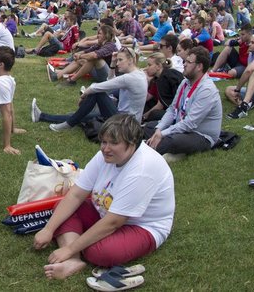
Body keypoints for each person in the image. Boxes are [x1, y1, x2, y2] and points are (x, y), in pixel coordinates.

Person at [33, 113, 175, 281]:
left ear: (132, 144)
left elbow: (114, 222)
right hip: (106, 212)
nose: (105, 148)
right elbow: (77, 194)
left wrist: (69, 248)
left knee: (98, 252)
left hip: (142, 226)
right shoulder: (106, 155)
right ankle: (73, 261)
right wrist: (48, 229)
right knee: (62, 208)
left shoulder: (142, 169)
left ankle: (73, 252)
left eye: (114, 143)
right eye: (104, 141)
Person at [31, 47, 147, 132]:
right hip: (128, 121)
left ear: (131, 60)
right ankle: (41, 116)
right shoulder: (138, 74)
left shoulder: (130, 78)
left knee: (97, 93)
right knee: (82, 115)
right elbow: (110, 80)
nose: (117, 63)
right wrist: (112, 62)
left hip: (126, 125)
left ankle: (68, 124)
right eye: (117, 60)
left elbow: (98, 87)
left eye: (120, 60)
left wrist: (84, 94)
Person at [145, 46, 222, 157]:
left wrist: (163, 133)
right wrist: (159, 129)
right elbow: (172, 109)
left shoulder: (207, 90)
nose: (184, 64)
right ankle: (160, 146)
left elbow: (190, 123)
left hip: (200, 135)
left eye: (189, 62)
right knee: (151, 127)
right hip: (181, 125)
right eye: (185, 61)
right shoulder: (185, 83)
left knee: (173, 140)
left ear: (199, 66)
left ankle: (152, 149)